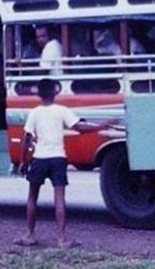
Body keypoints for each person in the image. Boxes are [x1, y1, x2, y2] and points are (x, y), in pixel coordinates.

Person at [15, 78, 113, 248]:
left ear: (39, 94)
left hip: (40, 157)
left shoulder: (35, 112)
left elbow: (27, 138)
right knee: (59, 198)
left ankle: (30, 235)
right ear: (55, 92)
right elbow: (80, 127)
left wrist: (23, 161)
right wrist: (101, 126)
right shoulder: (61, 111)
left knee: (32, 197)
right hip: (58, 157)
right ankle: (61, 239)